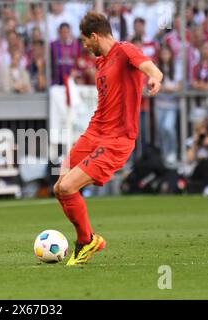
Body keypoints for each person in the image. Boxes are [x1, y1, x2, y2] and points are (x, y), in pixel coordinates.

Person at [53, 12, 163, 266]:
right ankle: (88, 240)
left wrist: (155, 79)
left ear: (94, 36)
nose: (84, 47)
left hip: (117, 140)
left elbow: (150, 67)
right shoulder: (100, 62)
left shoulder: (125, 51)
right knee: (60, 186)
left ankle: (85, 241)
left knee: (69, 188)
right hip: (95, 132)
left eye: (84, 41)